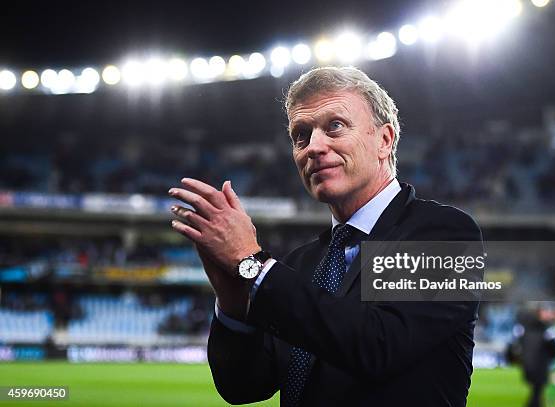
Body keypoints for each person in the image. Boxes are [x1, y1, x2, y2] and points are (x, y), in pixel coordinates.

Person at [168, 66, 482, 406]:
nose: (313, 147)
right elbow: (244, 387)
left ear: (384, 140)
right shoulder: (302, 263)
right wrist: (232, 297)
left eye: (335, 126)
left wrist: (253, 265)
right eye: (301, 135)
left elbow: (378, 346)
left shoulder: (441, 233)